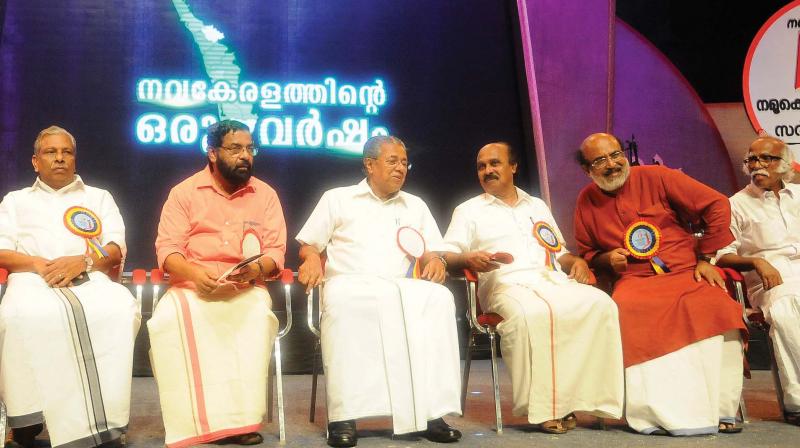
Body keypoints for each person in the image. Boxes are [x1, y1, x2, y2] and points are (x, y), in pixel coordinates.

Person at [442, 142, 624, 433]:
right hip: (505, 285)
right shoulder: (468, 211)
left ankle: (586, 399)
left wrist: (574, 261)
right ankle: (545, 408)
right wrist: (468, 258)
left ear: (513, 166)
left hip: (551, 280)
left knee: (601, 305)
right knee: (533, 314)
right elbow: (447, 254)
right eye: (481, 166)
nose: (487, 170)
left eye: (494, 163)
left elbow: (558, 251)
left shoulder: (537, 205)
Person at [573, 132, 747, 435]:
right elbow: (588, 252)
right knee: (626, 309)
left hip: (685, 271)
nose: (612, 164)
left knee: (718, 305)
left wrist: (706, 257)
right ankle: (651, 413)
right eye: (600, 160)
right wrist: (606, 259)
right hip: (634, 279)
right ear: (587, 170)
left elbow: (717, 205)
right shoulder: (586, 200)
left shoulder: (658, 176)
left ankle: (721, 408)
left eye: (616, 154)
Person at [296, 135, 461, 447]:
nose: (400, 168)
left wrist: (436, 260)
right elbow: (309, 245)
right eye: (392, 161)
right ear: (369, 165)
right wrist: (312, 261)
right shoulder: (337, 198)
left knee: (440, 298)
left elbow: (431, 250)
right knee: (345, 305)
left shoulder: (416, 205)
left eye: (404, 162)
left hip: (402, 286)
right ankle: (343, 416)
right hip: (350, 284)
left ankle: (430, 413)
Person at [0, 126, 141, 448]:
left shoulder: (98, 197)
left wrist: (84, 261)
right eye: (51, 152)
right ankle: (28, 417)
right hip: (33, 278)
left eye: (67, 152)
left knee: (119, 309)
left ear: (75, 159)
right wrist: (36, 263)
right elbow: (2, 250)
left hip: (88, 276)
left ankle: (105, 421)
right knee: (17, 315)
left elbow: (114, 248)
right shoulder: (16, 201)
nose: (60, 158)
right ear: (36, 161)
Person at [150, 120, 286, 447]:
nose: (245, 156)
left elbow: (275, 253)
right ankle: (191, 423)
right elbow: (167, 249)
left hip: (245, 288)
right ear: (213, 153)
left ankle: (241, 424)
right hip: (193, 286)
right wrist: (196, 275)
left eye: (250, 149)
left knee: (256, 320)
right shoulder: (184, 192)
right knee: (167, 322)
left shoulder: (265, 195)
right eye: (235, 148)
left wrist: (255, 271)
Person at [716, 136, 800, 425]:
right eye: (752, 159)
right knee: (788, 307)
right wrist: (756, 261)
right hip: (769, 279)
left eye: (766, 159)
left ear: (785, 165)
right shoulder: (735, 204)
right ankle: (797, 402)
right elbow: (722, 254)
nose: (757, 165)